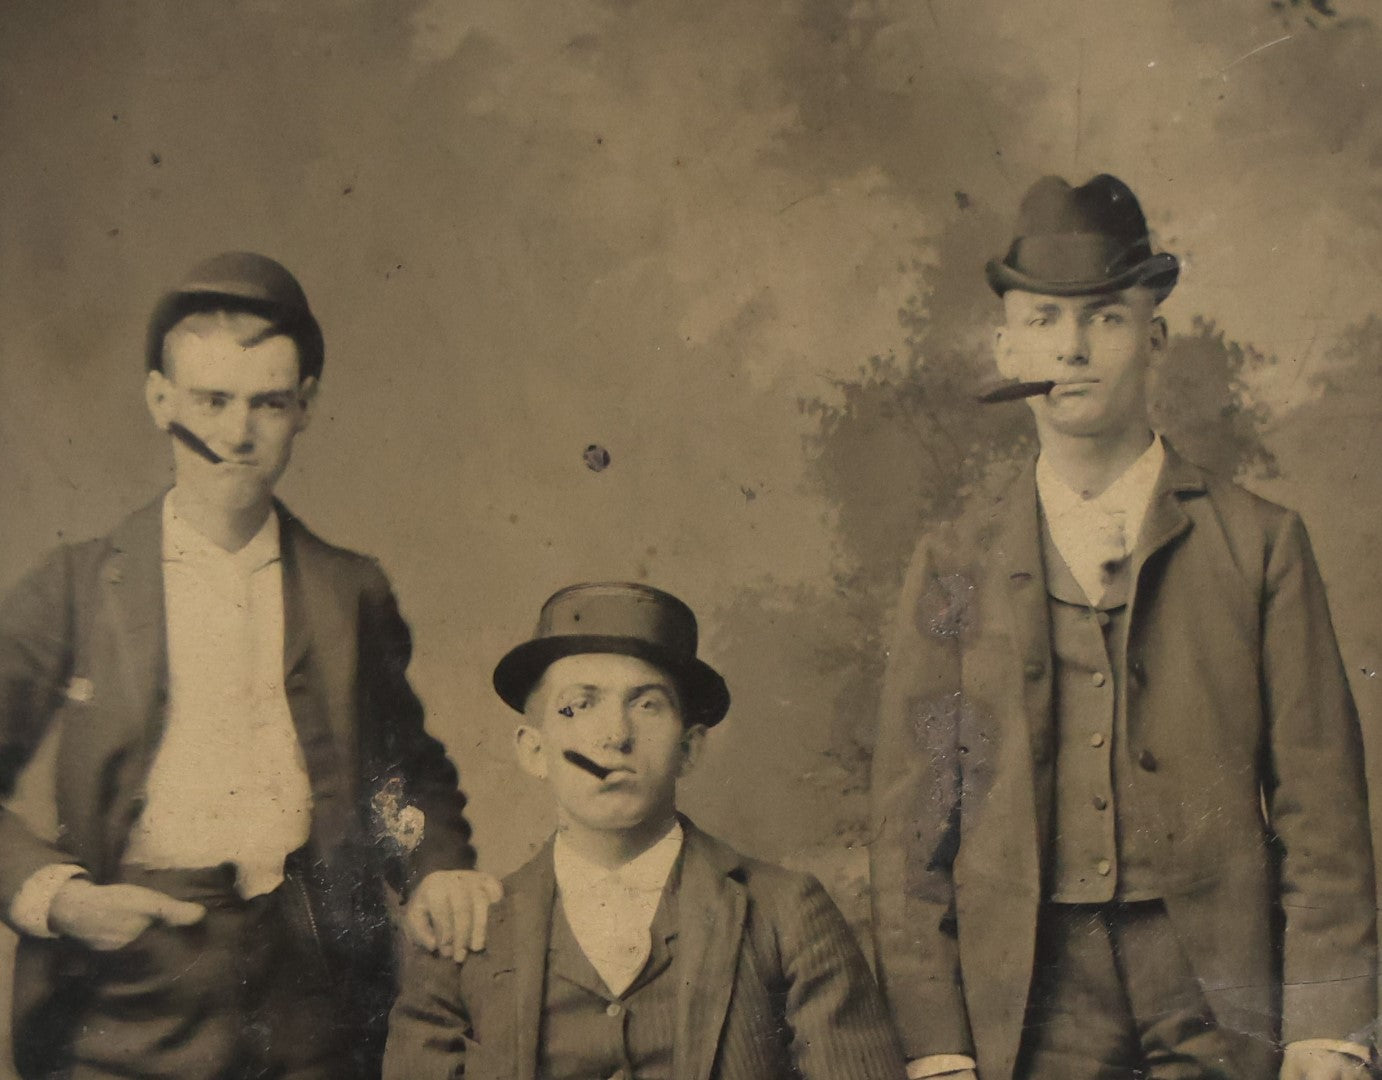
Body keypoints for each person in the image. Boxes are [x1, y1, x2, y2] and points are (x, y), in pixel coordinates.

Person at [869, 175, 1377, 1080]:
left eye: (1105, 318)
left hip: (1222, 983)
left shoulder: (1259, 543)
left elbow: (1322, 807)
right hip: (1033, 990)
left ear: (1156, 338)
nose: (1071, 348)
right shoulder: (954, 560)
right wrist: (937, 1043)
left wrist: (1326, 1023)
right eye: (1043, 320)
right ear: (1007, 346)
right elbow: (915, 830)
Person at [0, 252, 500, 1079]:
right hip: (127, 991)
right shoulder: (77, 586)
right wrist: (59, 898)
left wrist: (437, 867)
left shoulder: (349, 590)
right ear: (160, 400)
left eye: (267, 403)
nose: (236, 434)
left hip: (313, 990)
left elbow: (403, 775)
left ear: (305, 407)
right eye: (211, 401)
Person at [383, 581, 908, 1080]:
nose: (615, 736)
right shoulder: (467, 932)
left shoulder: (786, 913)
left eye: (647, 704)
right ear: (535, 750)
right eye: (579, 705)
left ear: (689, 749)